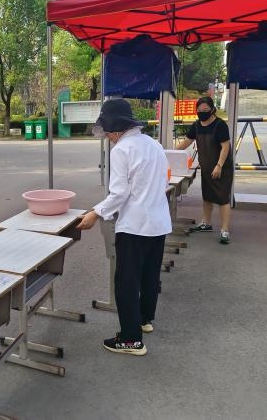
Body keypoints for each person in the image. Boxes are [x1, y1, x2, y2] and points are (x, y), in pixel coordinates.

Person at [76, 99, 172, 356]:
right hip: (159, 222)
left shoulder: (122, 150)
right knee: (150, 275)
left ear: (116, 128)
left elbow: (119, 193)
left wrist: (95, 213)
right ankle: (144, 320)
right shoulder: (154, 145)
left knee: (126, 282)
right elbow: (164, 181)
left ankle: (130, 339)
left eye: (107, 131)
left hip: (135, 226)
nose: (107, 136)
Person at [176, 96, 233, 244]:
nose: (202, 113)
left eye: (205, 110)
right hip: (207, 167)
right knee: (207, 196)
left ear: (213, 110)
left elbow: (225, 146)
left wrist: (219, 165)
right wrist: (168, 153)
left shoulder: (220, 125)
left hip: (221, 168)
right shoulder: (196, 125)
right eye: (199, 110)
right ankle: (206, 223)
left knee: (222, 198)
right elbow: (186, 142)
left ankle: (225, 230)